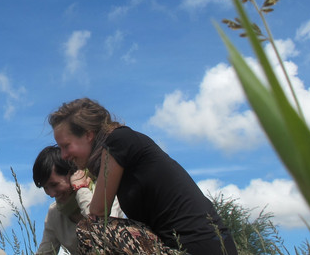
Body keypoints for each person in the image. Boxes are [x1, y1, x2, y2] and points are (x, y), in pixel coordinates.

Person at [49, 98, 237, 255]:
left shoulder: (118, 141)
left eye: (66, 145)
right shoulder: (118, 151)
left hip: (199, 247)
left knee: (89, 230)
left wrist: (81, 187)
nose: (64, 155)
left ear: (88, 135)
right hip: (186, 246)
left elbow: (98, 214)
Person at [32, 145, 123, 255]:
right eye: (45, 188)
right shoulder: (54, 213)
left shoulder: (102, 193)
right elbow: (45, 252)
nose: (51, 194)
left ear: (72, 173)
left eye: (54, 184)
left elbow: (105, 232)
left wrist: (81, 190)